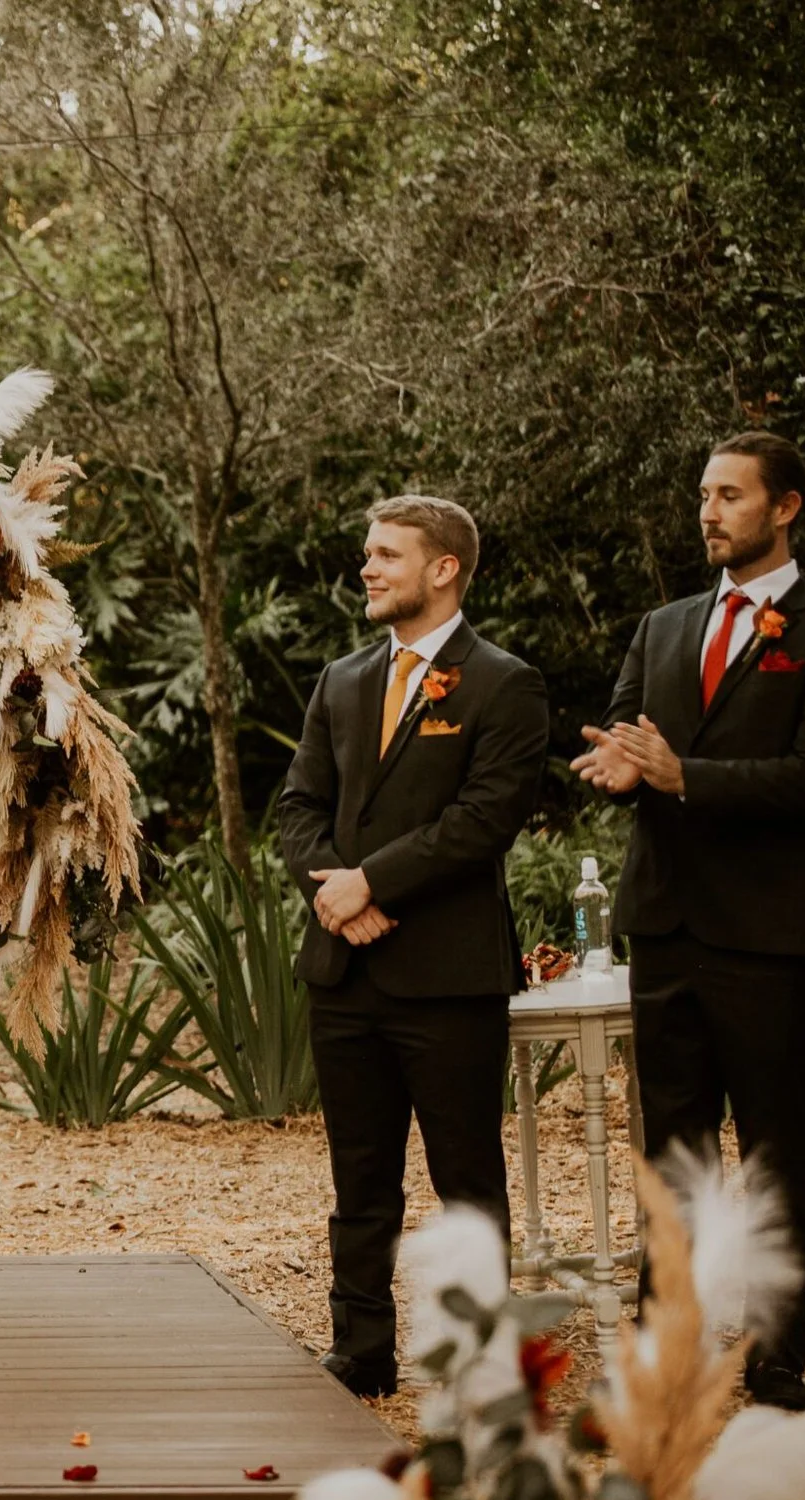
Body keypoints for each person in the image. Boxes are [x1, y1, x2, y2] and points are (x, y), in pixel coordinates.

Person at [276, 497, 548, 1398]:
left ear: (443, 568)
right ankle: (360, 1350)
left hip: (448, 977)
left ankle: (480, 1357)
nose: (368, 567)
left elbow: (484, 820)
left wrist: (373, 883)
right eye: (368, 552)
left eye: (387, 554)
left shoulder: (504, 684)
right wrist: (336, 896)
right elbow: (299, 807)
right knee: (359, 1178)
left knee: (466, 1178)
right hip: (344, 970)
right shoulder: (343, 679)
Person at [571, 430, 805, 1410]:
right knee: (672, 1153)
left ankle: (777, 1355)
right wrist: (620, 768)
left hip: (773, 935)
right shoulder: (663, 626)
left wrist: (686, 776)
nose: (708, 511)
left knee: (779, 1151)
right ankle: (665, 1350)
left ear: (785, 508)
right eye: (704, 494)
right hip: (665, 925)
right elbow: (629, 732)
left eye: (730, 495)